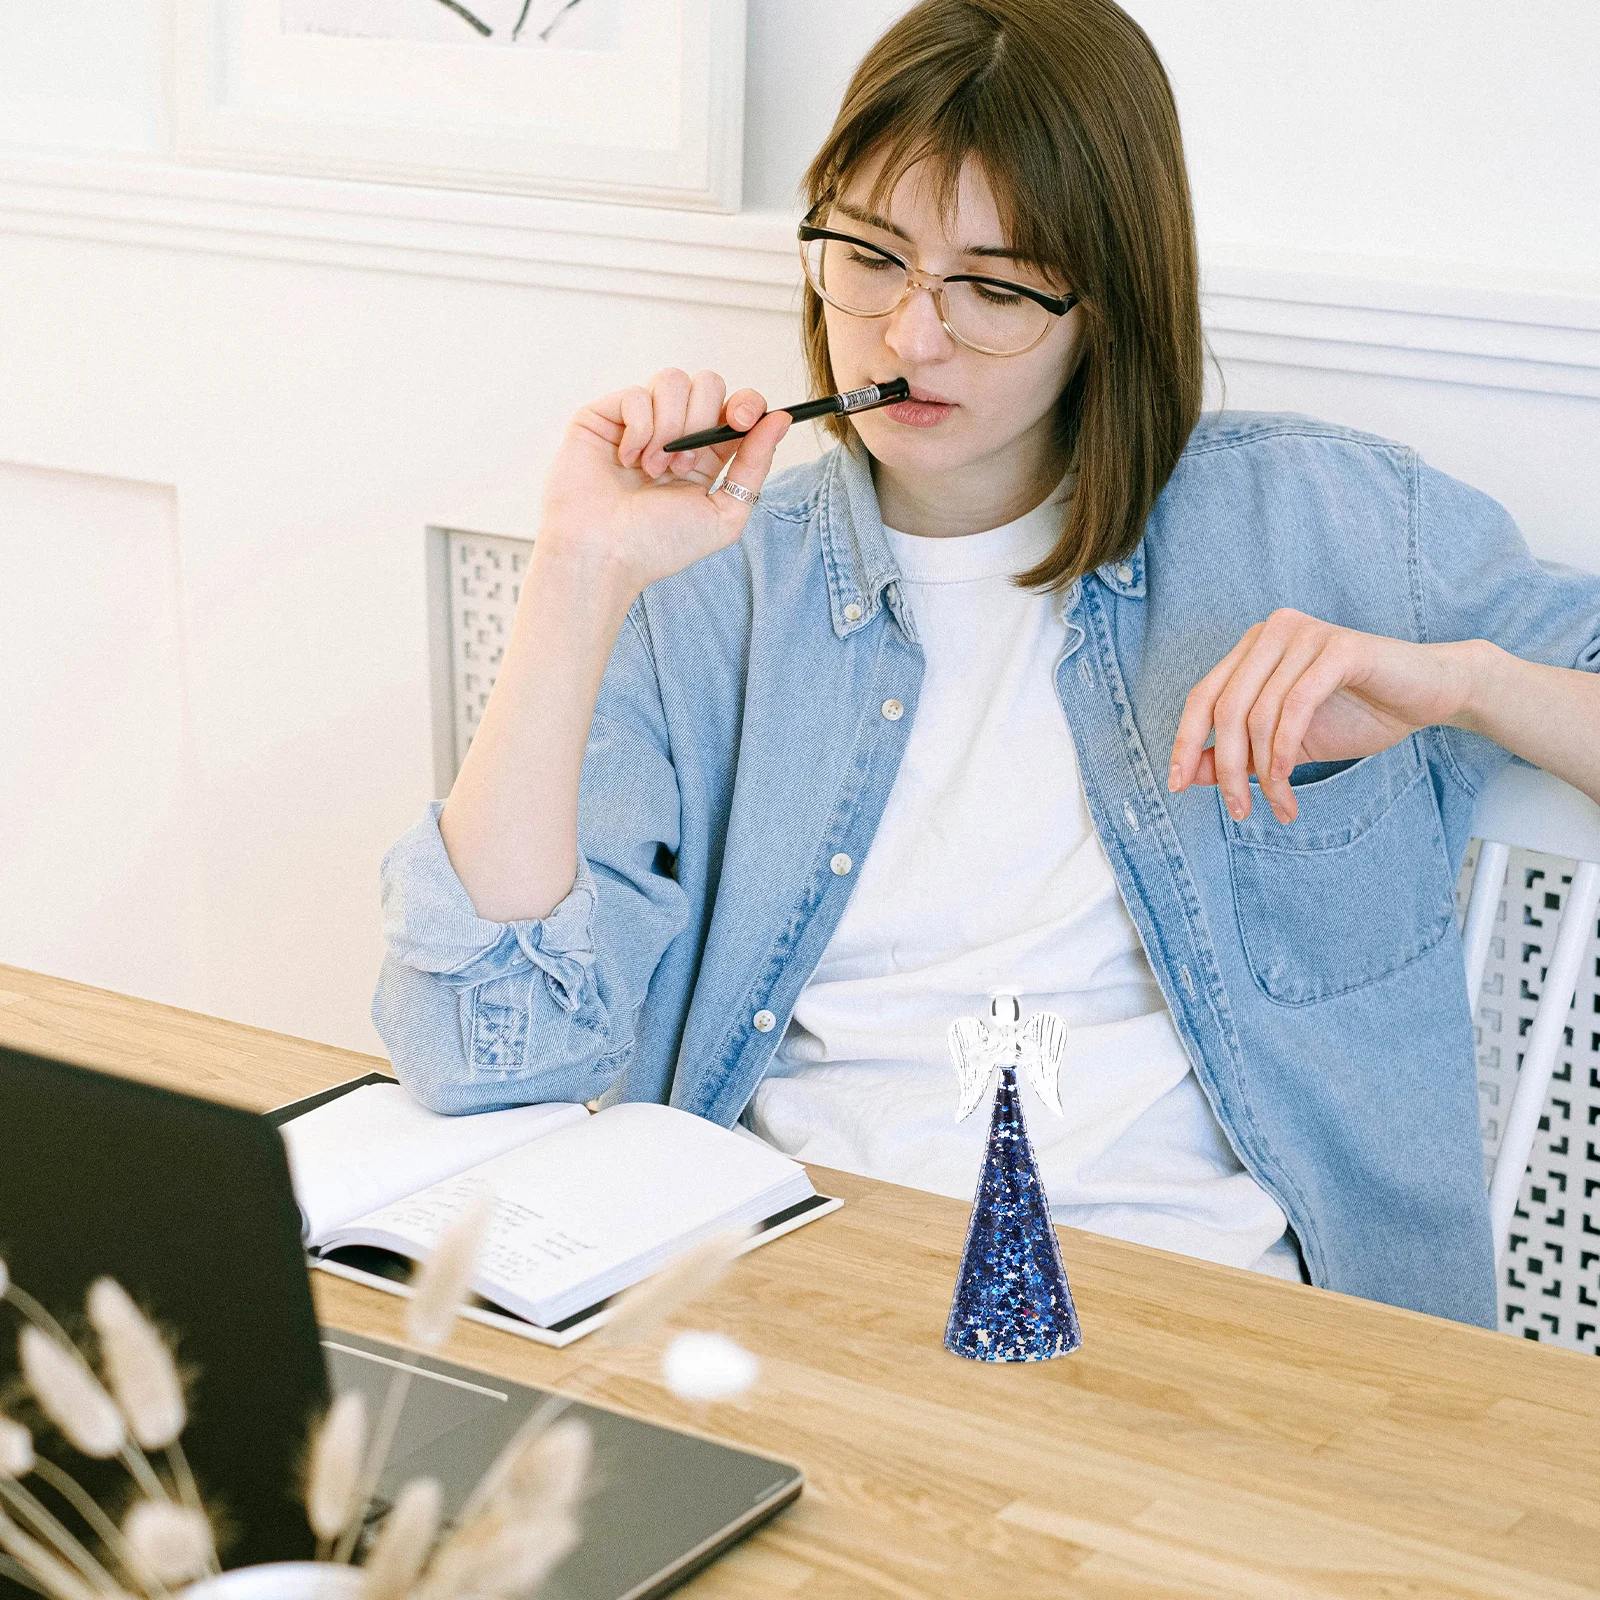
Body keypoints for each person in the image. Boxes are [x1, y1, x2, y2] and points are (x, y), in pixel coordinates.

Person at [373, 0, 1600, 1329]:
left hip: (1219, 1325)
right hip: (801, 1293)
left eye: (998, 288)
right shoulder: (713, 587)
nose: (911, 337)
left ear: (1107, 304)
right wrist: (577, 578)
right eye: (871, 259)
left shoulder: (1328, 524)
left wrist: (1470, 683)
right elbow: (482, 1053)